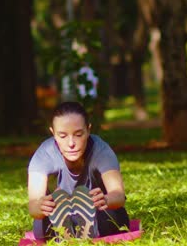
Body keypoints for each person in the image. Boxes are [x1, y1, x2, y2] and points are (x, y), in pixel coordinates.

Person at [27, 101, 129, 240]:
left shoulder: (102, 151)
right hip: (58, 211)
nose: (71, 143)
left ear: (88, 130)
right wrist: (41, 206)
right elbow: (33, 206)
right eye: (62, 136)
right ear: (53, 133)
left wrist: (106, 199)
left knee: (116, 218)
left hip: (96, 211)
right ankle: (66, 227)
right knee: (40, 228)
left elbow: (118, 195)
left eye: (78, 134)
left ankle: (81, 229)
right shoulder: (43, 155)